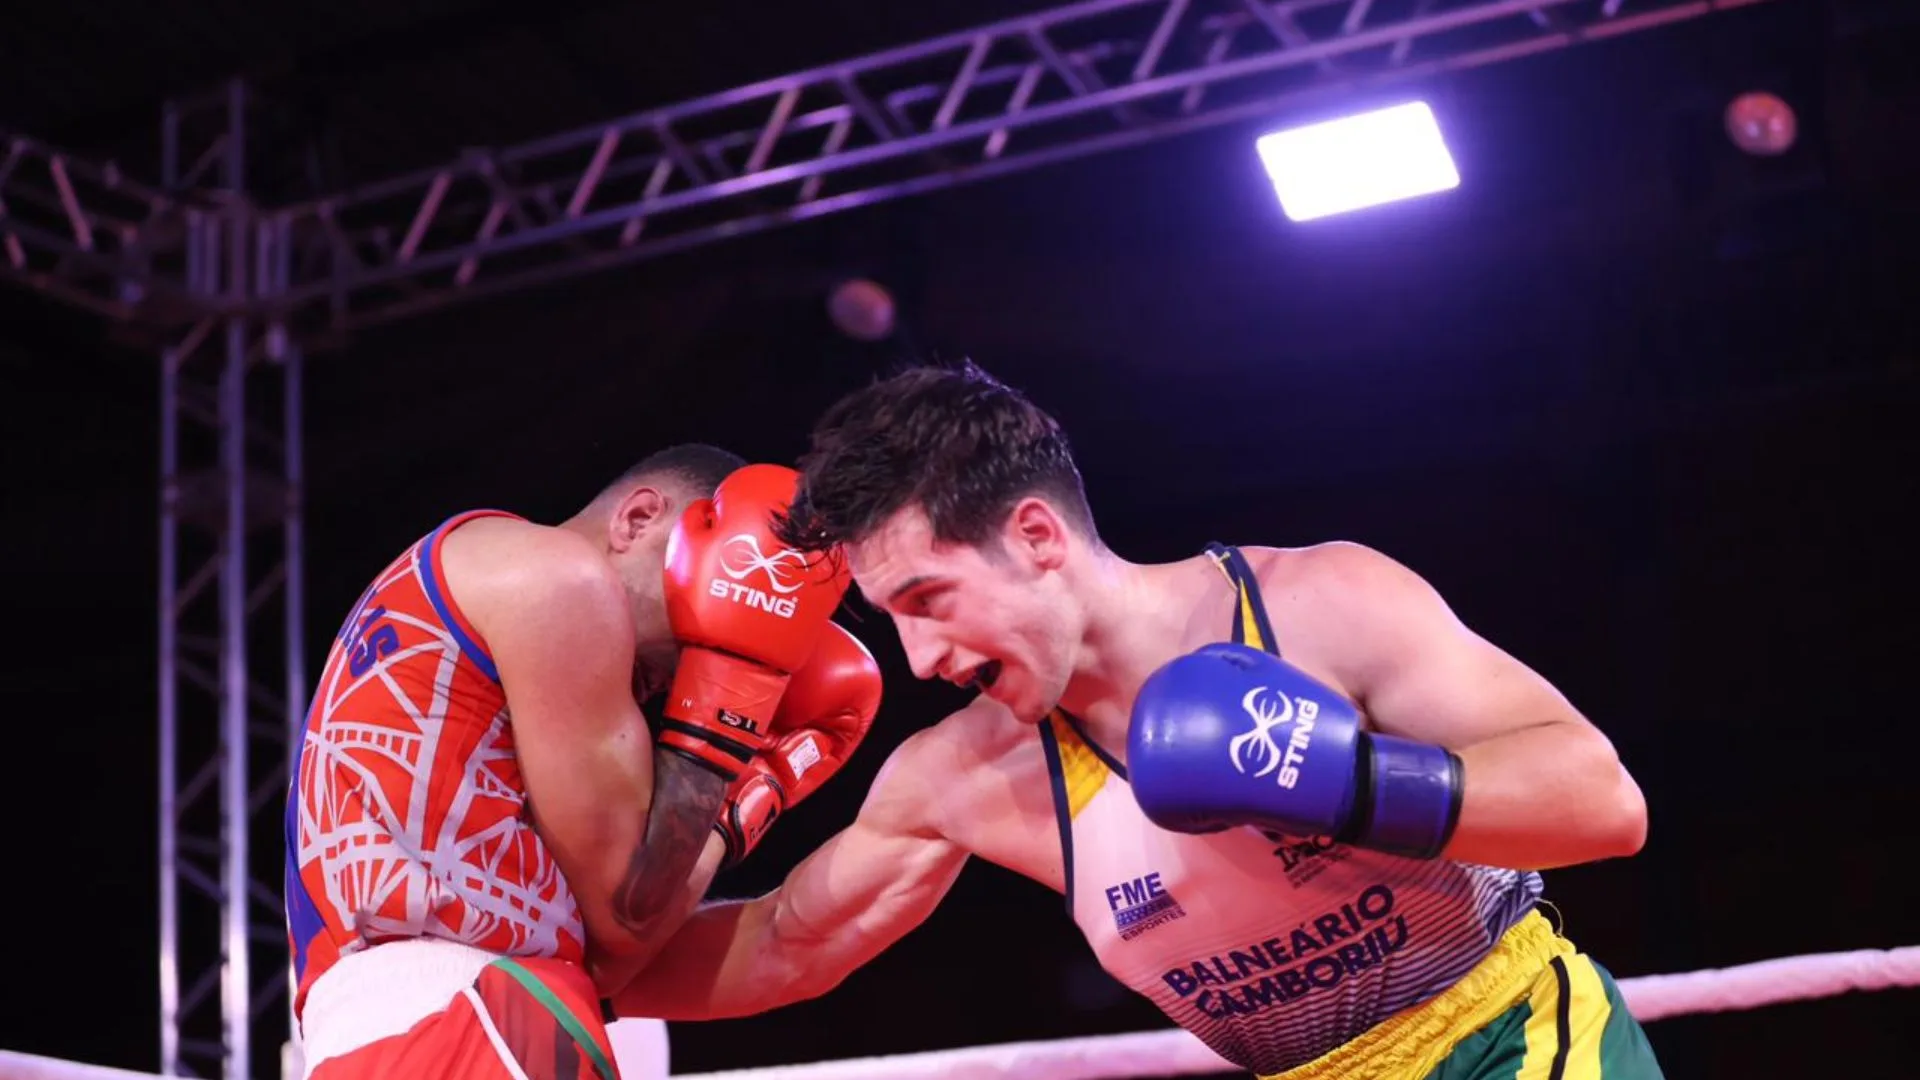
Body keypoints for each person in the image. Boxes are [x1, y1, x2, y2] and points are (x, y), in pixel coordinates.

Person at [611, 364, 1664, 1079]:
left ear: (1035, 534)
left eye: (930, 600)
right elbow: (784, 941)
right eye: (892, 625)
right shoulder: (963, 777)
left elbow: (1603, 802)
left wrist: (1347, 786)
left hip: (1514, 1040)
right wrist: (549, 969)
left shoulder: (1317, 606)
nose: (924, 663)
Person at [285, 447, 883, 1080]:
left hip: (408, 1031)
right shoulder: (559, 574)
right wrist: (740, 738)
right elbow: (631, 912)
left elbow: (608, 968)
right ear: (638, 519)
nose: (663, 681)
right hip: (468, 1020)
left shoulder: (460, 592)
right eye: (690, 627)